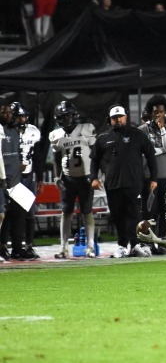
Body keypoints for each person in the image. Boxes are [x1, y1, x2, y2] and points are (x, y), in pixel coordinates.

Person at [90, 105, 158, 258]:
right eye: (115, 118)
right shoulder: (103, 138)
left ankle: (135, 245)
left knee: (134, 214)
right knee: (117, 215)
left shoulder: (137, 134)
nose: (118, 119)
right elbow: (94, 160)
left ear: (126, 117)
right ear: (110, 120)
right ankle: (122, 245)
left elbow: (151, 156)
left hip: (134, 183)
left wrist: (154, 178)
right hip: (112, 184)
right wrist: (93, 178)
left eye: (120, 116)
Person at [49, 101, 98, 258]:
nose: (66, 119)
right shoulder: (56, 135)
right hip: (68, 178)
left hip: (85, 178)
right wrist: (57, 176)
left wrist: (95, 175)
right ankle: (63, 248)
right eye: (63, 117)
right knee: (66, 212)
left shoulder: (86, 129)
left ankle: (90, 247)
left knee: (87, 212)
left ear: (74, 115)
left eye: (68, 116)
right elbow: (57, 158)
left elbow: (95, 154)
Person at [138, 95, 166, 254]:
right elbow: (143, 151)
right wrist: (160, 150)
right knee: (149, 212)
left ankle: (162, 243)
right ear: (150, 112)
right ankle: (147, 243)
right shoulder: (143, 130)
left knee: (165, 212)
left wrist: (162, 130)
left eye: (161, 112)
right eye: (155, 112)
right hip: (148, 176)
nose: (158, 115)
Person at [13, 102, 44, 259]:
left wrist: (40, 178)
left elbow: (37, 156)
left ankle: (29, 245)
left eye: (23, 116)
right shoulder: (6, 131)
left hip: (28, 175)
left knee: (30, 212)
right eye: (18, 117)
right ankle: (9, 246)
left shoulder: (33, 131)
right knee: (12, 213)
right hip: (12, 177)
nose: (21, 119)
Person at [0, 100, 30, 261]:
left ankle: (18, 248)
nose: (8, 115)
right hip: (2, 180)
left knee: (20, 213)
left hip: (15, 180)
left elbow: (16, 153)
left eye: (9, 113)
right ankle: (2, 247)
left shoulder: (14, 131)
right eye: (4, 112)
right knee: (3, 215)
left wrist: (20, 166)